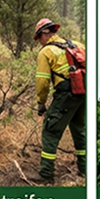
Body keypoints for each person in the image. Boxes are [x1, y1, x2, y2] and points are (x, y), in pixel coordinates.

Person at [33, 17, 86, 182]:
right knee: (80, 130)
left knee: (50, 130)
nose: (39, 42)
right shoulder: (78, 45)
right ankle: (85, 170)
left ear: (44, 33)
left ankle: (46, 174)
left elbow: (42, 81)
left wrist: (41, 104)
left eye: (39, 38)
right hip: (84, 93)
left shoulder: (46, 52)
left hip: (67, 94)